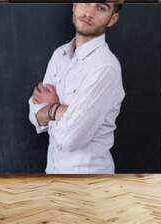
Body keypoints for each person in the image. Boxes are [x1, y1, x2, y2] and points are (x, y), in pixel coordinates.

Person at [28, 1, 125, 174]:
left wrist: (51, 108)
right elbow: (34, 114)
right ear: (74, 5)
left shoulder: (105, 67)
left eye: (101, 7)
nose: (89, 12)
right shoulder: (59, 55)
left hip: (89, 179)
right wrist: (63, 113)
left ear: (112, 19)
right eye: (86, 2)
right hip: (52, 173)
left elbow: (70, 139)